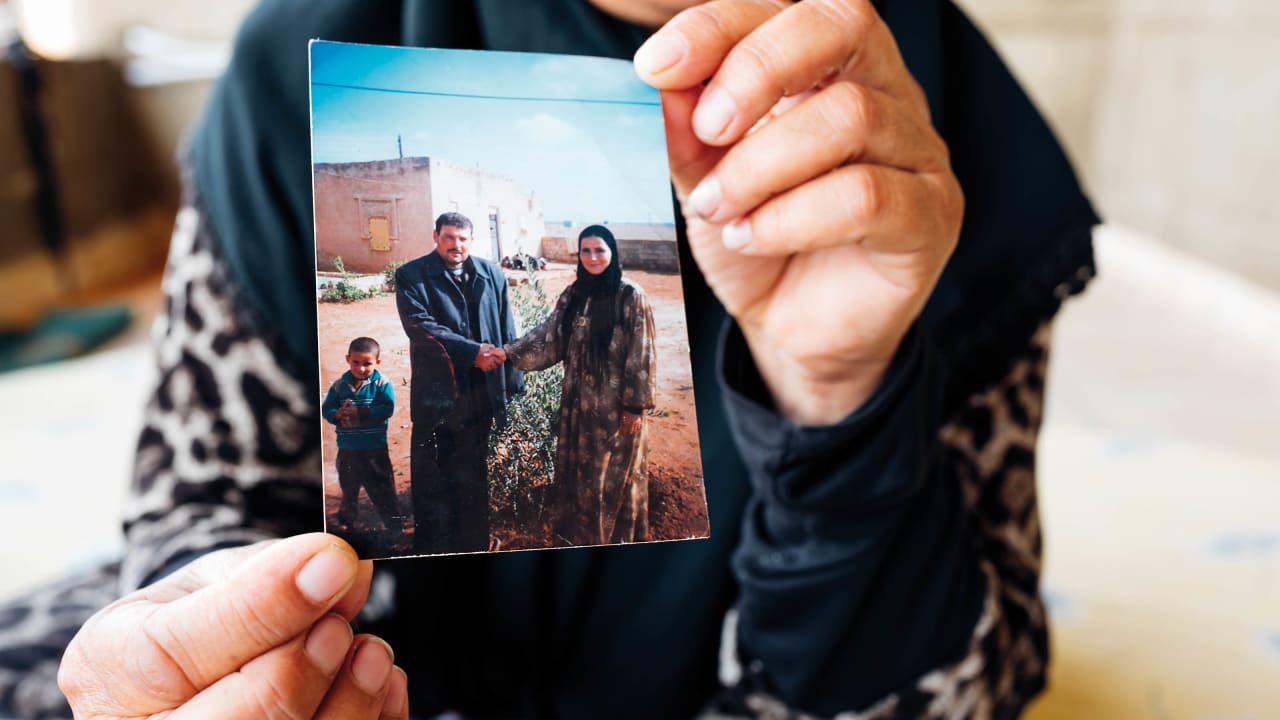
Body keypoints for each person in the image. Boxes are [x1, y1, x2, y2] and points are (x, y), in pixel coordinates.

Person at [0, 1, 1100, 719]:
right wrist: (242, 654)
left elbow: (966, 668)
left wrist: (839, 395)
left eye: (581, 243)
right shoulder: (299, 60)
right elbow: (206, 503)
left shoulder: (927, 128)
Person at [497, 225, 658, 546]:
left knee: (611, 479)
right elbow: (549, 336)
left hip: (616, 413)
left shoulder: (629, 295)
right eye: (586, 251)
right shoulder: (574, 294)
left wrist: (635, 406)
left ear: (612, 254)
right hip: (578, 409)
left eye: (599, 250)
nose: (593, 257)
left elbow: (643, 353)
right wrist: (505, 352)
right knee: (581, 479)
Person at [394, 211, 523, 555]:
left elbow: (506, 327)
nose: (456, 245)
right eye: (449, 237)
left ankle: (473, 546)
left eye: (463, 238)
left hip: (479, 395)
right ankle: (432, 551)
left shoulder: (491, 273)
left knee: (471, 475)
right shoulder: (411, 276)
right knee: (431, 477)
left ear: (471, 240)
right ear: (436, 235)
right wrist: (472, 353)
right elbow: (420, 327)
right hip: (435, 396)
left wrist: (511, 382)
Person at [321, 336, 400, 556]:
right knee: (349, 491)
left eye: (367, 363)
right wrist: (336, 414)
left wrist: (361, 413)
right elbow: (326, 408)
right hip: (348, 452)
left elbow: (387, 408)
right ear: (348, 359)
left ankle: (394, 528)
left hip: (375, 451)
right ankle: (347, 529)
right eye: (356, 362)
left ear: (378, 362)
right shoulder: (339, 386)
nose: (361, 368)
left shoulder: (382, 384)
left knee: (383, 490)